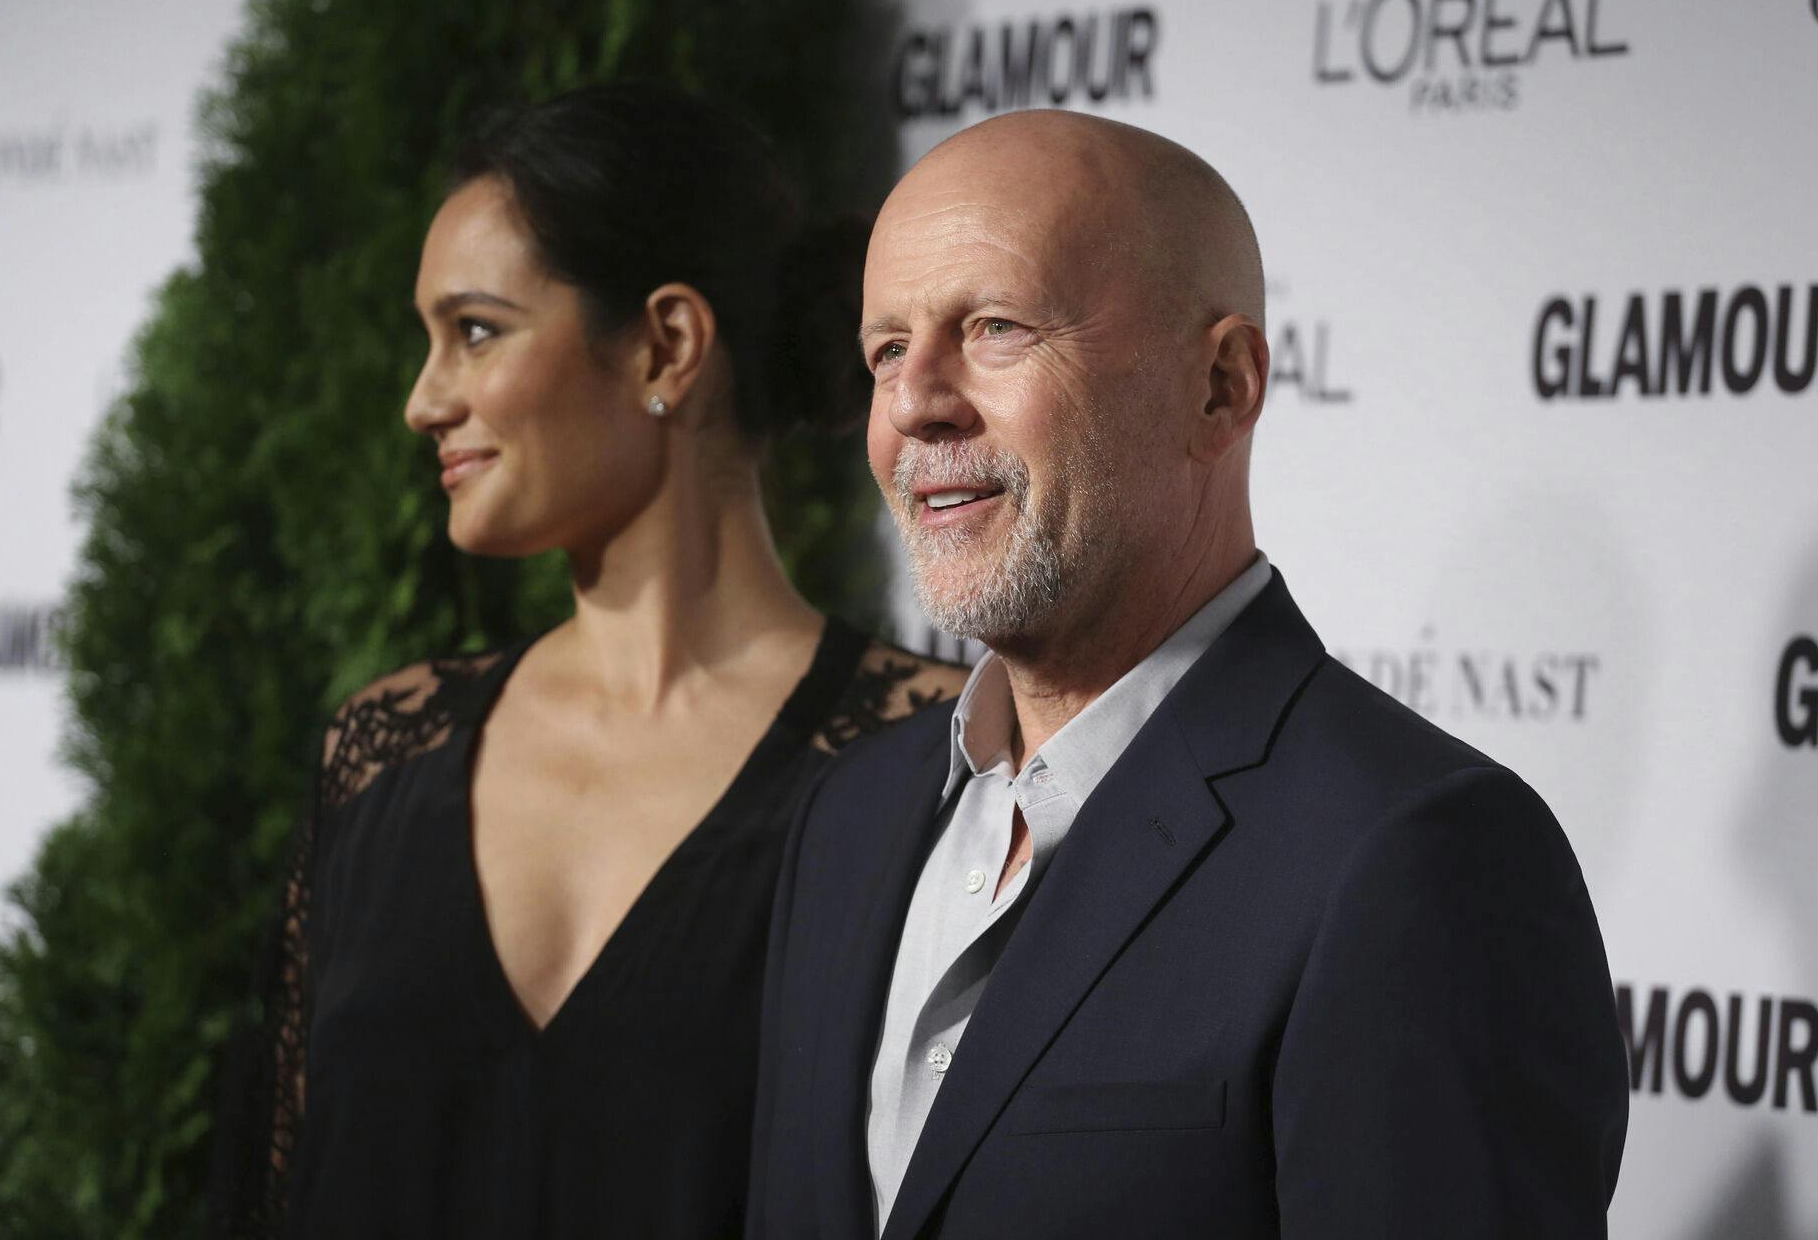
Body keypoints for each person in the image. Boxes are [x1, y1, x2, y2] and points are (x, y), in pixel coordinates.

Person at [749, 110, 1630, 1239]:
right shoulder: (846, 820)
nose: (915, 401)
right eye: (885, 352)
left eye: (997, 328)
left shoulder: (1418, 856)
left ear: (1220, 388)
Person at [210, 83, 965, 1239]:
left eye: (475, 330)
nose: (423, 401)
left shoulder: (932, 764)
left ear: (666, 343)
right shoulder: (380, 755)